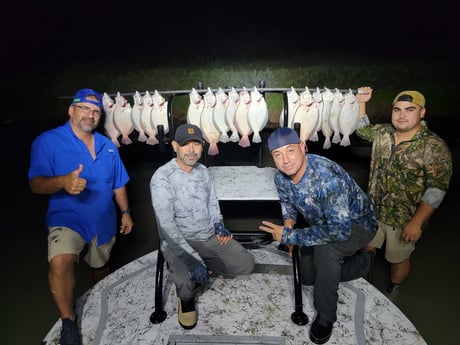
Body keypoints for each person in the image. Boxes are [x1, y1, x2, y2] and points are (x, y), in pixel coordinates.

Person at [28, 88, 134, 345]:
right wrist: (62, 182)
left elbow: (118, 184)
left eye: (96, 111)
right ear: (71, 110)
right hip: (67, 219)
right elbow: (36, 184)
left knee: (100, 268)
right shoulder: (48, 141)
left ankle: (101, 303)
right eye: (85, 109)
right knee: (60, 262)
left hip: (104, 220)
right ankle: (68, 321)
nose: (90, 115)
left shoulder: (108, 146)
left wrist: (126, 212)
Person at [259, 127, 377, 344]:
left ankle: (326, 316)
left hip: (356, 224)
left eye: (290, 151)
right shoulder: (281, 177)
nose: (285, 160)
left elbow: (339, 231)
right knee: (306, 277)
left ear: (303, 147)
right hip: (324, 223)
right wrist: (288, 226)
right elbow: (287, 201)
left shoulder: (327, 179)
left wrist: (291, 237)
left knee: (327, 252)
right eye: (278, 154)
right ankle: (362, 264)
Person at [150, 123, 255, 330]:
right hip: (178, 240)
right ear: (174, 146)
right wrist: (191, 261)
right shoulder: (162, 178)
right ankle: (186, 299)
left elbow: (211, 203)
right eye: (185, 144)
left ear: (202, 146)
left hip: (207, 236)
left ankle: (203, 267)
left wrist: (218, 224)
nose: (191, 150)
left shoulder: (203, 171)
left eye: (196, 144)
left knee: (246, 264)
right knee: (186, 283)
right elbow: (166, 226)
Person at [355, 87, 452, 301]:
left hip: (403, 220)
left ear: (422, 112)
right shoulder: (383, 133)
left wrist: (416, 223)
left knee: (397, 259)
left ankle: (393, 289)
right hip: (372, 212)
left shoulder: (433, 147)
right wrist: (362, 103)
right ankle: (364, 282)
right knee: (366, 248)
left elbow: (436, 190)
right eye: (397, 109)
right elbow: (362, 130)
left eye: (409, 109)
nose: (402, 115)